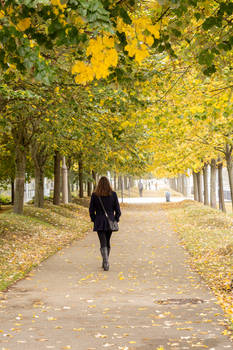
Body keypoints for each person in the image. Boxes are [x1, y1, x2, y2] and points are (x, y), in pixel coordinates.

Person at [89, 176, 121, 271]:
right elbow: (118, 211)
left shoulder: (95, 195)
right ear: (108, 184)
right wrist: (115, 219)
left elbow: (91, 210)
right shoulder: (113, 194)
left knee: (102, 241)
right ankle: (105, 261)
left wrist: (95, 219)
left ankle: (105, 261)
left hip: (99, 221)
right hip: (110, 221)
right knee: (107, 241)